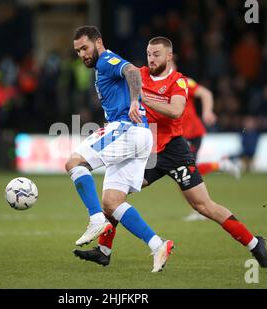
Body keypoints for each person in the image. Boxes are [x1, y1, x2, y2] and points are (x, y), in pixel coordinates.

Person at [73, 36, 267, 268]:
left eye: (156, 54)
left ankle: (254, 243)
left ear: (169, 56)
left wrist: (142, 98)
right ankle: (104, 250)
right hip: (148, 153)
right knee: (114, 198)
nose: (151, 59)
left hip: (174, 150)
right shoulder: (140, 75)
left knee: (203, 206)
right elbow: (122, 77)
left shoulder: (179, 81)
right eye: (148, 54)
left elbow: (176, 111)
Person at [66, 26, 173, 273]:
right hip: (140, 135)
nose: (82, 54)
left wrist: (135, 100)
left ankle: (95, 220)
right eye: (78, 51)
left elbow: (132, 71)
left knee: (74, 162)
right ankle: (158, 245)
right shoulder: (101, 67)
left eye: (85, 47)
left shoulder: (106, 60)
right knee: (112, 202)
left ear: (98, 42)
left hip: (127, 128)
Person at [180, 76, 241, 222]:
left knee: (186, 171)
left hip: (191, 133)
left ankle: (201, 209)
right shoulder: (157, 84)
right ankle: (221, 165)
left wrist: (207, 111)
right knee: (183, 172)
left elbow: (206, 93)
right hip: (178, 134)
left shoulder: (182, 81)